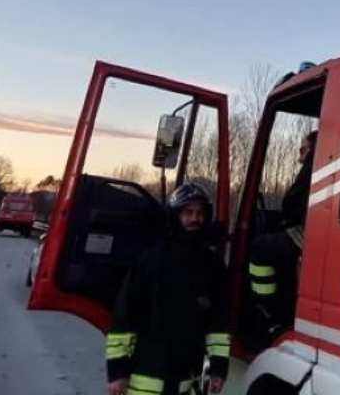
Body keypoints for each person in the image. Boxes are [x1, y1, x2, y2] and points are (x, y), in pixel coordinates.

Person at [105, 182, 229, 395]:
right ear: (175, 216)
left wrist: (218, 369)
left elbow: (218, 324)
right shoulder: (151, 260)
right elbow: (125, 318)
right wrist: (117, 372)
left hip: (187, 382)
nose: (194, 219)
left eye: (200, 213)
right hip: (144, 382)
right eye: (188, 212)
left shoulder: (213, 265)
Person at [246, 130, 317, 344]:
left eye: (303, 149)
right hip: (311, 230)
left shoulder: (310, 170)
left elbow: (291, 203)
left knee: (260, 247)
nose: (300, 153)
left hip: (307, 234)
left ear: (314, 149)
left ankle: (266, 307)